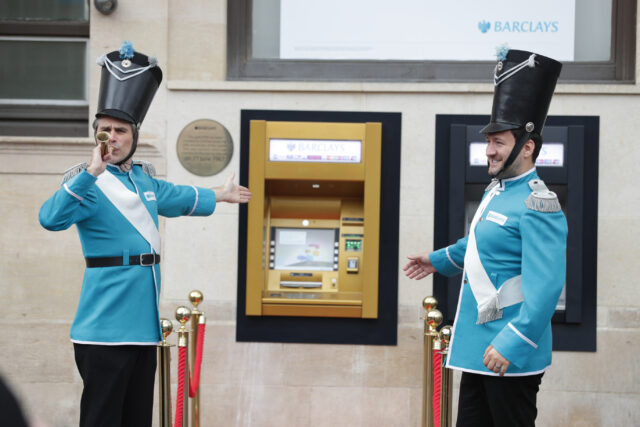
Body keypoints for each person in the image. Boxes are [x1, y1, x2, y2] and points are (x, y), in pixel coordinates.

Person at [39, 42, 250, 427]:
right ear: (96, 135)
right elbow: (50, 218)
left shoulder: (143, 179)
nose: (112, 137)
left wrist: (219, 194)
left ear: (133, 135)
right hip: (103, 330)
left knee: (137, 419)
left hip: (143, 329)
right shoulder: (85, 182)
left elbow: (176, 197)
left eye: (120, 130)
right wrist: (90, 173)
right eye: (105, 130)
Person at [404, 49, 567, 427]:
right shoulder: (499, 191)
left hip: (508, 349)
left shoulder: (538, 203)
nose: (488, 151)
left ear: (527, 147)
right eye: (488, 141)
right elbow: (480, 246)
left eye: (499, 143)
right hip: (480, 344)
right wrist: (437, 259)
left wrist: (512, 342)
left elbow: (545, 289)